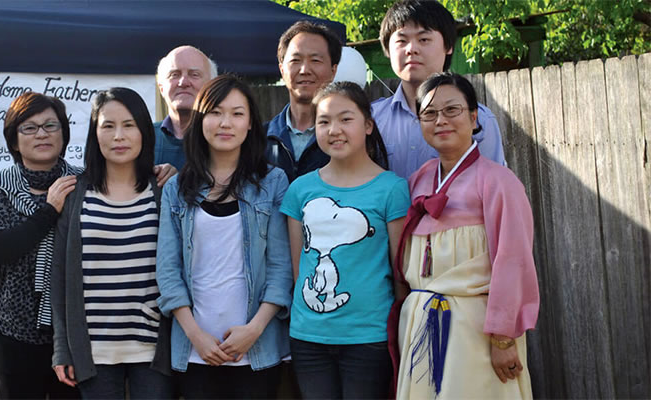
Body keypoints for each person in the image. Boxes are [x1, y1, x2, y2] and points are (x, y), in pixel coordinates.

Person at [390, 72, 539, 399]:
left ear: (474, 118)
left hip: (476, 328)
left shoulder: (498, 182)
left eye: (452, 110)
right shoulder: (419, 180)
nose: (440, 120)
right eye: (429, 114)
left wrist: (502, 338)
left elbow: (513, 262)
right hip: (420, 322)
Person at [156, 75, 292, 399]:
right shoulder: (176, 188)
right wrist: (195, 335)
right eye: (215, 112)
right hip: (195, 350)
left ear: (250, 125)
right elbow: (167, 268)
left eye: (237, 113)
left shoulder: (273, 182)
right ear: (201, 120)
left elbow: (281, 266)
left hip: (256, 348)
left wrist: (254, 329)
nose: (225, 123)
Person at [280, 81, 409, 399]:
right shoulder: (300, 189)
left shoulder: (392, 189)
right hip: (309, 336)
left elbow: (400, 273)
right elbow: (299, 270)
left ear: (367, 125)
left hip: (369, 336)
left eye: (345, 119)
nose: (334, 129)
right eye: (323, 121)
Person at [50, 88, 173, 399]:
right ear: (94, 132)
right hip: (93, 351)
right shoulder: (75, 194)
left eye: (129, 125)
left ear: (145, 131)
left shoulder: (164, 191)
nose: (119, 135)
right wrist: (62, 348)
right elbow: (60, 276)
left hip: (152, 350)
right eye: (108, 125)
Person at [0, 92, 81, 399]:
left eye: (50, 126)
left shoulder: (85, 183)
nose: (42, 133)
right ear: (14, 141)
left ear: (64, 134)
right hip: (14, 333)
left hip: (75, 334)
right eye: (29, 128)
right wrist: (49, 211)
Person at [371, 0, 505, 179]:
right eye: (402, 40)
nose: (411, 49)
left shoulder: (479, 120)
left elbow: (494, 190)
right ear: (387, 49)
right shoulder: (370, 119)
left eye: (424, 39)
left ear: (448, 46)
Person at [266, 20, 343, 182]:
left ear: (333, 71)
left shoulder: (347, 138)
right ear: (282, 69)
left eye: (315, 60)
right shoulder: (258, 139)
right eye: (295, 60)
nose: (304, 70)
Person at [154, 45, 219, 178]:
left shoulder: (225, 138)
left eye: (194, 75)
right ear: (161, 88)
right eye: (174, 75)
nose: (183, 82)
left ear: (212, 86)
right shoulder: (142, 138)